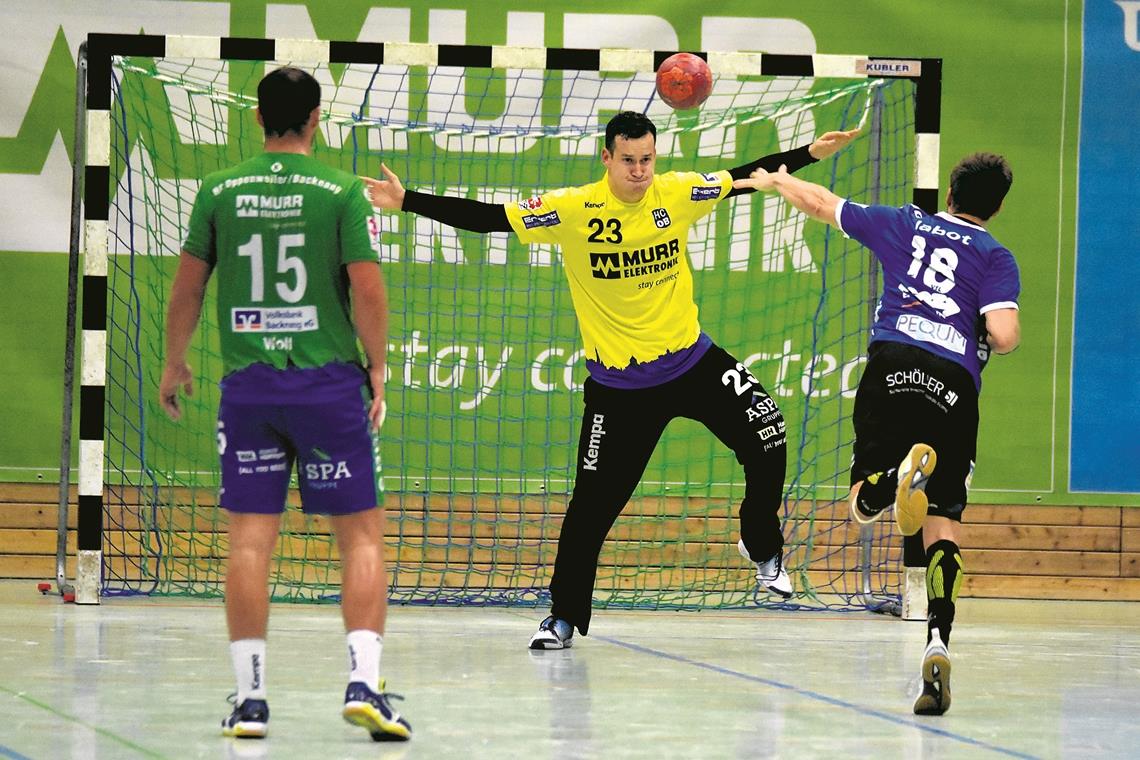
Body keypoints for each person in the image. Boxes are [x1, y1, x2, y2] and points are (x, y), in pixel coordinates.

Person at [364, 111, 860, 650]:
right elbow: (490, 219)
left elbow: (745, 176)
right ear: (607, 158)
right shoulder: (573, 209)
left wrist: (809, 153)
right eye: (628, 161)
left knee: (769, 436)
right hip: (620, 390)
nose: (640, 171)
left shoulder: (677, 192)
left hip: (693, 362)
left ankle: (759, 544)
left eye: (647, 159)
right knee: (591, 509)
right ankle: (562, 617)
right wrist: (407, 199)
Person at [158, 67, 411, 742]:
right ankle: (364, 684)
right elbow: (369, 290)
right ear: (316, 118)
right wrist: (378, 367)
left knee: (249, 542)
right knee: (359, 535)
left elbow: (187, 289)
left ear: (258, 117)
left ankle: (251, 701)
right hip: (327, 388)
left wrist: (174, 361)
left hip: (250, 389)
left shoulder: (219, 191)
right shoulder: (339, 191)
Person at [732, 153, 1019, 715]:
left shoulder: (907, 222)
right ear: (997, 206)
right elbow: (1003, 334)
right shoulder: (995, 255)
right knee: (943, 525)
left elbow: (824, 204)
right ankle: (937, 640)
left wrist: (778, 178)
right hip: (954, 380)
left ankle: (890, 478)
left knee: (863, 505)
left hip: (893, 362)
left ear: (952, 192)